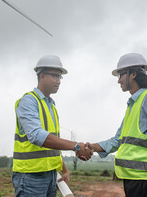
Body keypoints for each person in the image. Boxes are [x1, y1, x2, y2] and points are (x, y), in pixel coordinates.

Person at [82, 53, 147, 197]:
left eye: (120, 75)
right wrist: (92, 147)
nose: (118, 81)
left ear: (133, 74)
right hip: (134, 182)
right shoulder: (133, 105)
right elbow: (118, 140)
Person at [12, 55, 93, 197]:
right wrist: (77, 146)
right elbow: (38, 137)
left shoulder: (51, 106)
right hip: (30, 177)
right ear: (42, 76)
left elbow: (52, 147)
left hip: (51, 176)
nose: (58, 81)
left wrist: (64, 169)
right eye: (55, 76)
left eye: (60, 77)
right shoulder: (28, 102)